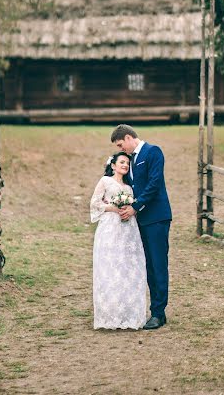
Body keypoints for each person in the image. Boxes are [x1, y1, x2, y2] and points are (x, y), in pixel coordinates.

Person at [111, 124, 172, 330]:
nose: (122, 149)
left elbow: (154, 184)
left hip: (156, 218)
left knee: (158, 264)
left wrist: (135, 206)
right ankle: (156, 310)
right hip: (141, 221)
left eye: (121, 145)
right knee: (148, 267)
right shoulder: (130, 160)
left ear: (129, 137)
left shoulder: (153, 152)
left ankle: (158, 312)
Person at [90, 151, 147, 330]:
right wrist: (114, 208)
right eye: (122, 162)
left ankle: (127, 313)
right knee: (110, 267)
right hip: (110, 228)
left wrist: (129, 210)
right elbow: (94, 203)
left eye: (127, 164)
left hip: (128, 229)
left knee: (126, 268)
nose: (125, 165)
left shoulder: (129, 189)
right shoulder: (105, 181)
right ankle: (109, 314)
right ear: (113, 165)